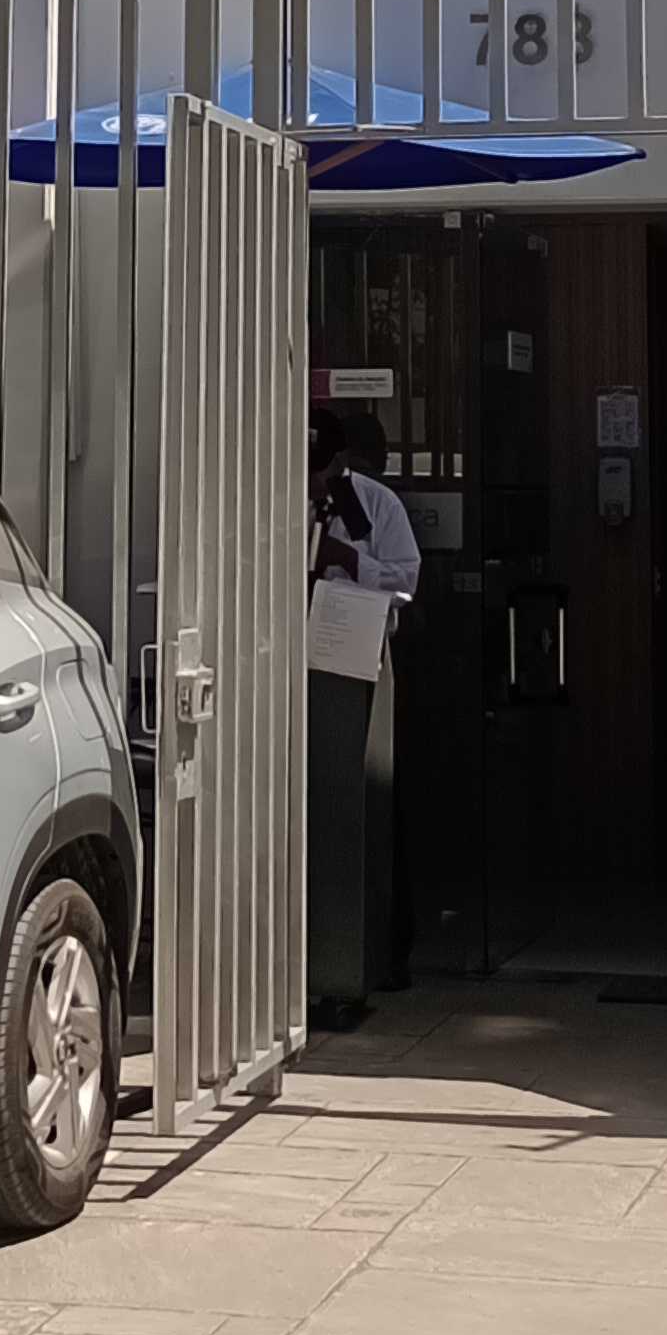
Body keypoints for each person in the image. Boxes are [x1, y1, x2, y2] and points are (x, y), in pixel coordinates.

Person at [306, 401, 420, 1023]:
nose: (316, 482)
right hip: (291, 664)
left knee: (369, 810)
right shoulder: (278, 495)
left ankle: (380, 953)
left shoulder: (374, 504)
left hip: (358, 663)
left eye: (324, 470)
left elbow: (406, 580)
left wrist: (349, 560)